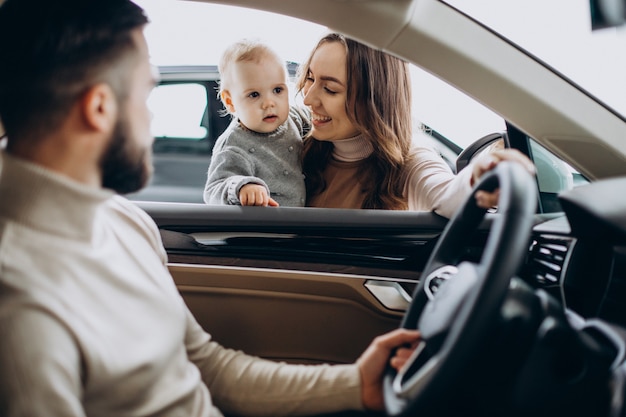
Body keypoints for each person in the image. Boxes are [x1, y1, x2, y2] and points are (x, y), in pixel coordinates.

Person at [0, 0, 421, 416]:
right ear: (98, 109)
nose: (151, 117)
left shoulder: (125, 222)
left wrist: (355, 384)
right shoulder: (20, 304)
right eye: (147, 93)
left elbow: (208, 369)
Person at [297, 33, 535, 217]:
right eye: (310, 78)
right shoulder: (294, 143)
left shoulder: (409, 163)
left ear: (374, 99)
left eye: (330, 89)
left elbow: (447, 195)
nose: (308, 98)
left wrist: (478, 177)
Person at [203, 39, 308, 207]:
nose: (269, 103)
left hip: (300, 226)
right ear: (230, 102)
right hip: (261, 230)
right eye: (254, 95)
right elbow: (214, 190)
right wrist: (241, 187)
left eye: (277, 90)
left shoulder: (294, 118)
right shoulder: (234, 146)